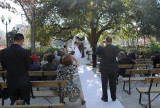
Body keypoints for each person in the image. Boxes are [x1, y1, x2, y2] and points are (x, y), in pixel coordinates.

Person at [0, 33, 30, 105]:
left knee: (13, 100)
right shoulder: (25, 52)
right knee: (25, 100)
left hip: (11, 80)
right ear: (22, 40)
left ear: (13, 40)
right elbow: (28, 66)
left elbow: (3, 66)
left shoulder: (3, 52)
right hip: (23, 81)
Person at [97, 36, 119, 102]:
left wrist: (100, 45)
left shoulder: (102, 49)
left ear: (105, 41)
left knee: (104, 83)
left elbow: (97, 52)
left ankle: (105, 98)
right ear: (111, 41)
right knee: (113, 83)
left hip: (104, 68)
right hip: (113, 68)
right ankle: (113, 97)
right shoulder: (115, 48)